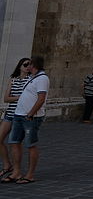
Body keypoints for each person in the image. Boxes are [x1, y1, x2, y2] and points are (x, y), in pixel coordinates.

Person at [4, 55, 49, 184]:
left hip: (30, 117)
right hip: (18, 115)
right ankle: (16, 172)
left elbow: (41, 98)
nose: (27, 66)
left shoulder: (42, 78)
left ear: (34, 65)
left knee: (30, 144)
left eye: (29, 64)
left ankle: (29, 175)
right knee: (14, 142)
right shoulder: (32, 78)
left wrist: (30, 114)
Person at [1, 58, 31, 180]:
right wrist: (20, 97)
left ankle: (16, 169)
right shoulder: (13, 79)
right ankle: (7, 164)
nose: (28, 66)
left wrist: (16, 97)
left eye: (30, 65)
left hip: (21, 115)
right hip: (10, 114)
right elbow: (6, 99)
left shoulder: (30, 80)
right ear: (20, 66)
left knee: (15, 143)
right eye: (25, 64)